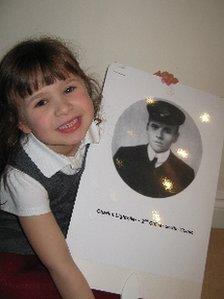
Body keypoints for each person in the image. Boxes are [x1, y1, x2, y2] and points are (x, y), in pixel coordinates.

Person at [0, 37, 102, 299]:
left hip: (71, 226)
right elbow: (60, 265)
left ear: (86, 87)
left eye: (68, 89)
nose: (64, 108)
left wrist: (159, 90)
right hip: (20, 245)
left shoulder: (98, 124)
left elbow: (143, 106)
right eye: (41, 102)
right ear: (22, 123)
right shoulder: (22, 175)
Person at [113, 100, 195, 198]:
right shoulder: (124, 156)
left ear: (175, 137)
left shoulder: (186, 174)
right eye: (155, 127)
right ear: (147, 127)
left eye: (167, 130)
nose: (159, 135)